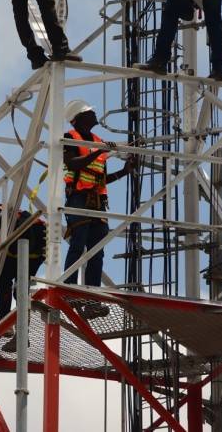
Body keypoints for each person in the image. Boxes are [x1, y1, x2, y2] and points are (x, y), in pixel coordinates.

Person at [62, 100, 135, 297]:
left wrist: (123, 172)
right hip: (78, 198)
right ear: (78, 118)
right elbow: (72, 163)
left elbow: (100, 179)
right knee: (78, 244)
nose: (94, 114)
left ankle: (92, 294)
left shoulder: (98, 141)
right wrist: (99, 152)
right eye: (89, 112)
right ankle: (69, 287)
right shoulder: (70, 138)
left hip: (98, 202)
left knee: (97, 250)